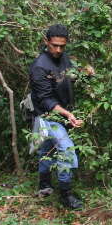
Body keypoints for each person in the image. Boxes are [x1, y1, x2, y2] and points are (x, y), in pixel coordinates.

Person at [29, 24, 84, 209]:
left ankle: (44, 185)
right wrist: (68, 114)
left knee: (46, 150)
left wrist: (86, 72)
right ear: (46, 42)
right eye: (54, 45)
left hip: (63, 113)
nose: (58, 50)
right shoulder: (39, 66)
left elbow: (72, 74)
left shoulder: (64, 58)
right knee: (67, 150)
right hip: (46, 116)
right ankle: (66, 195)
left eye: (62, 46)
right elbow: (46, 100)